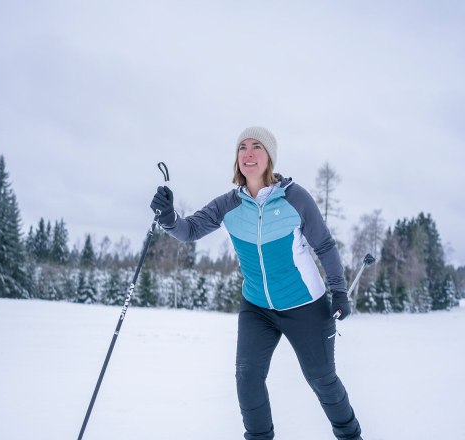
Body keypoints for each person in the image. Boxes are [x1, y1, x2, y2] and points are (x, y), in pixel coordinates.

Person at [150, 126, 363, 440]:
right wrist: (168, 216)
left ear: (270, 157)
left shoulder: (295, 198)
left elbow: (325, 246)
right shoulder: (228, 205)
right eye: (242, 148)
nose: (248, 154)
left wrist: (340, 291)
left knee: (321, 378)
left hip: (305, 306)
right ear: (237, 159)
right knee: (247, 379)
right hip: (257, 308)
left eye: (256, 147)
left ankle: (350, 436)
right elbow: (189, 230)